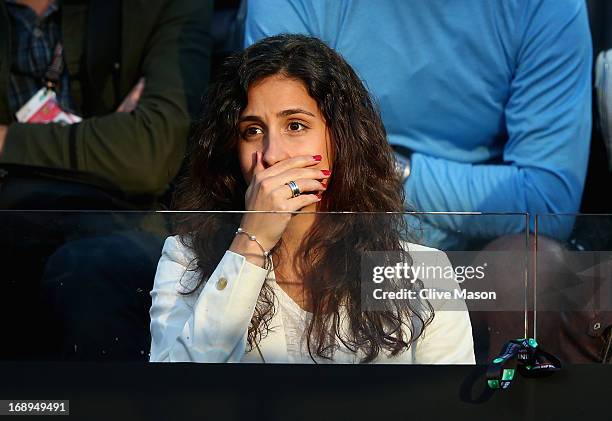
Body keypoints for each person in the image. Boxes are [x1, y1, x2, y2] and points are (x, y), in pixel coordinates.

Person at [149, 34, 475, 364]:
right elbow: (178, 398)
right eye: (252, 131)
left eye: (295, 125)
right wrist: (251, 244)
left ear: (341, 139)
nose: (273, 155)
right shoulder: (184, 258)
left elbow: (447, 405)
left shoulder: (425, 271)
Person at [243, 0, 592, 250]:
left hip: (477, 259)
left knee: (532, 277)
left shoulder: (548, 8)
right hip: (333, 236)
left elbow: (548, 203)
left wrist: (389, 172)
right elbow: (283, 163)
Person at [0, 0, 213, 361]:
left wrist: (6, 141)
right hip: (16, 220)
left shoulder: (160, 8)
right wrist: (103, 139)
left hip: (121, 224)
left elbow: (148, 154)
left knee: (94, 270)